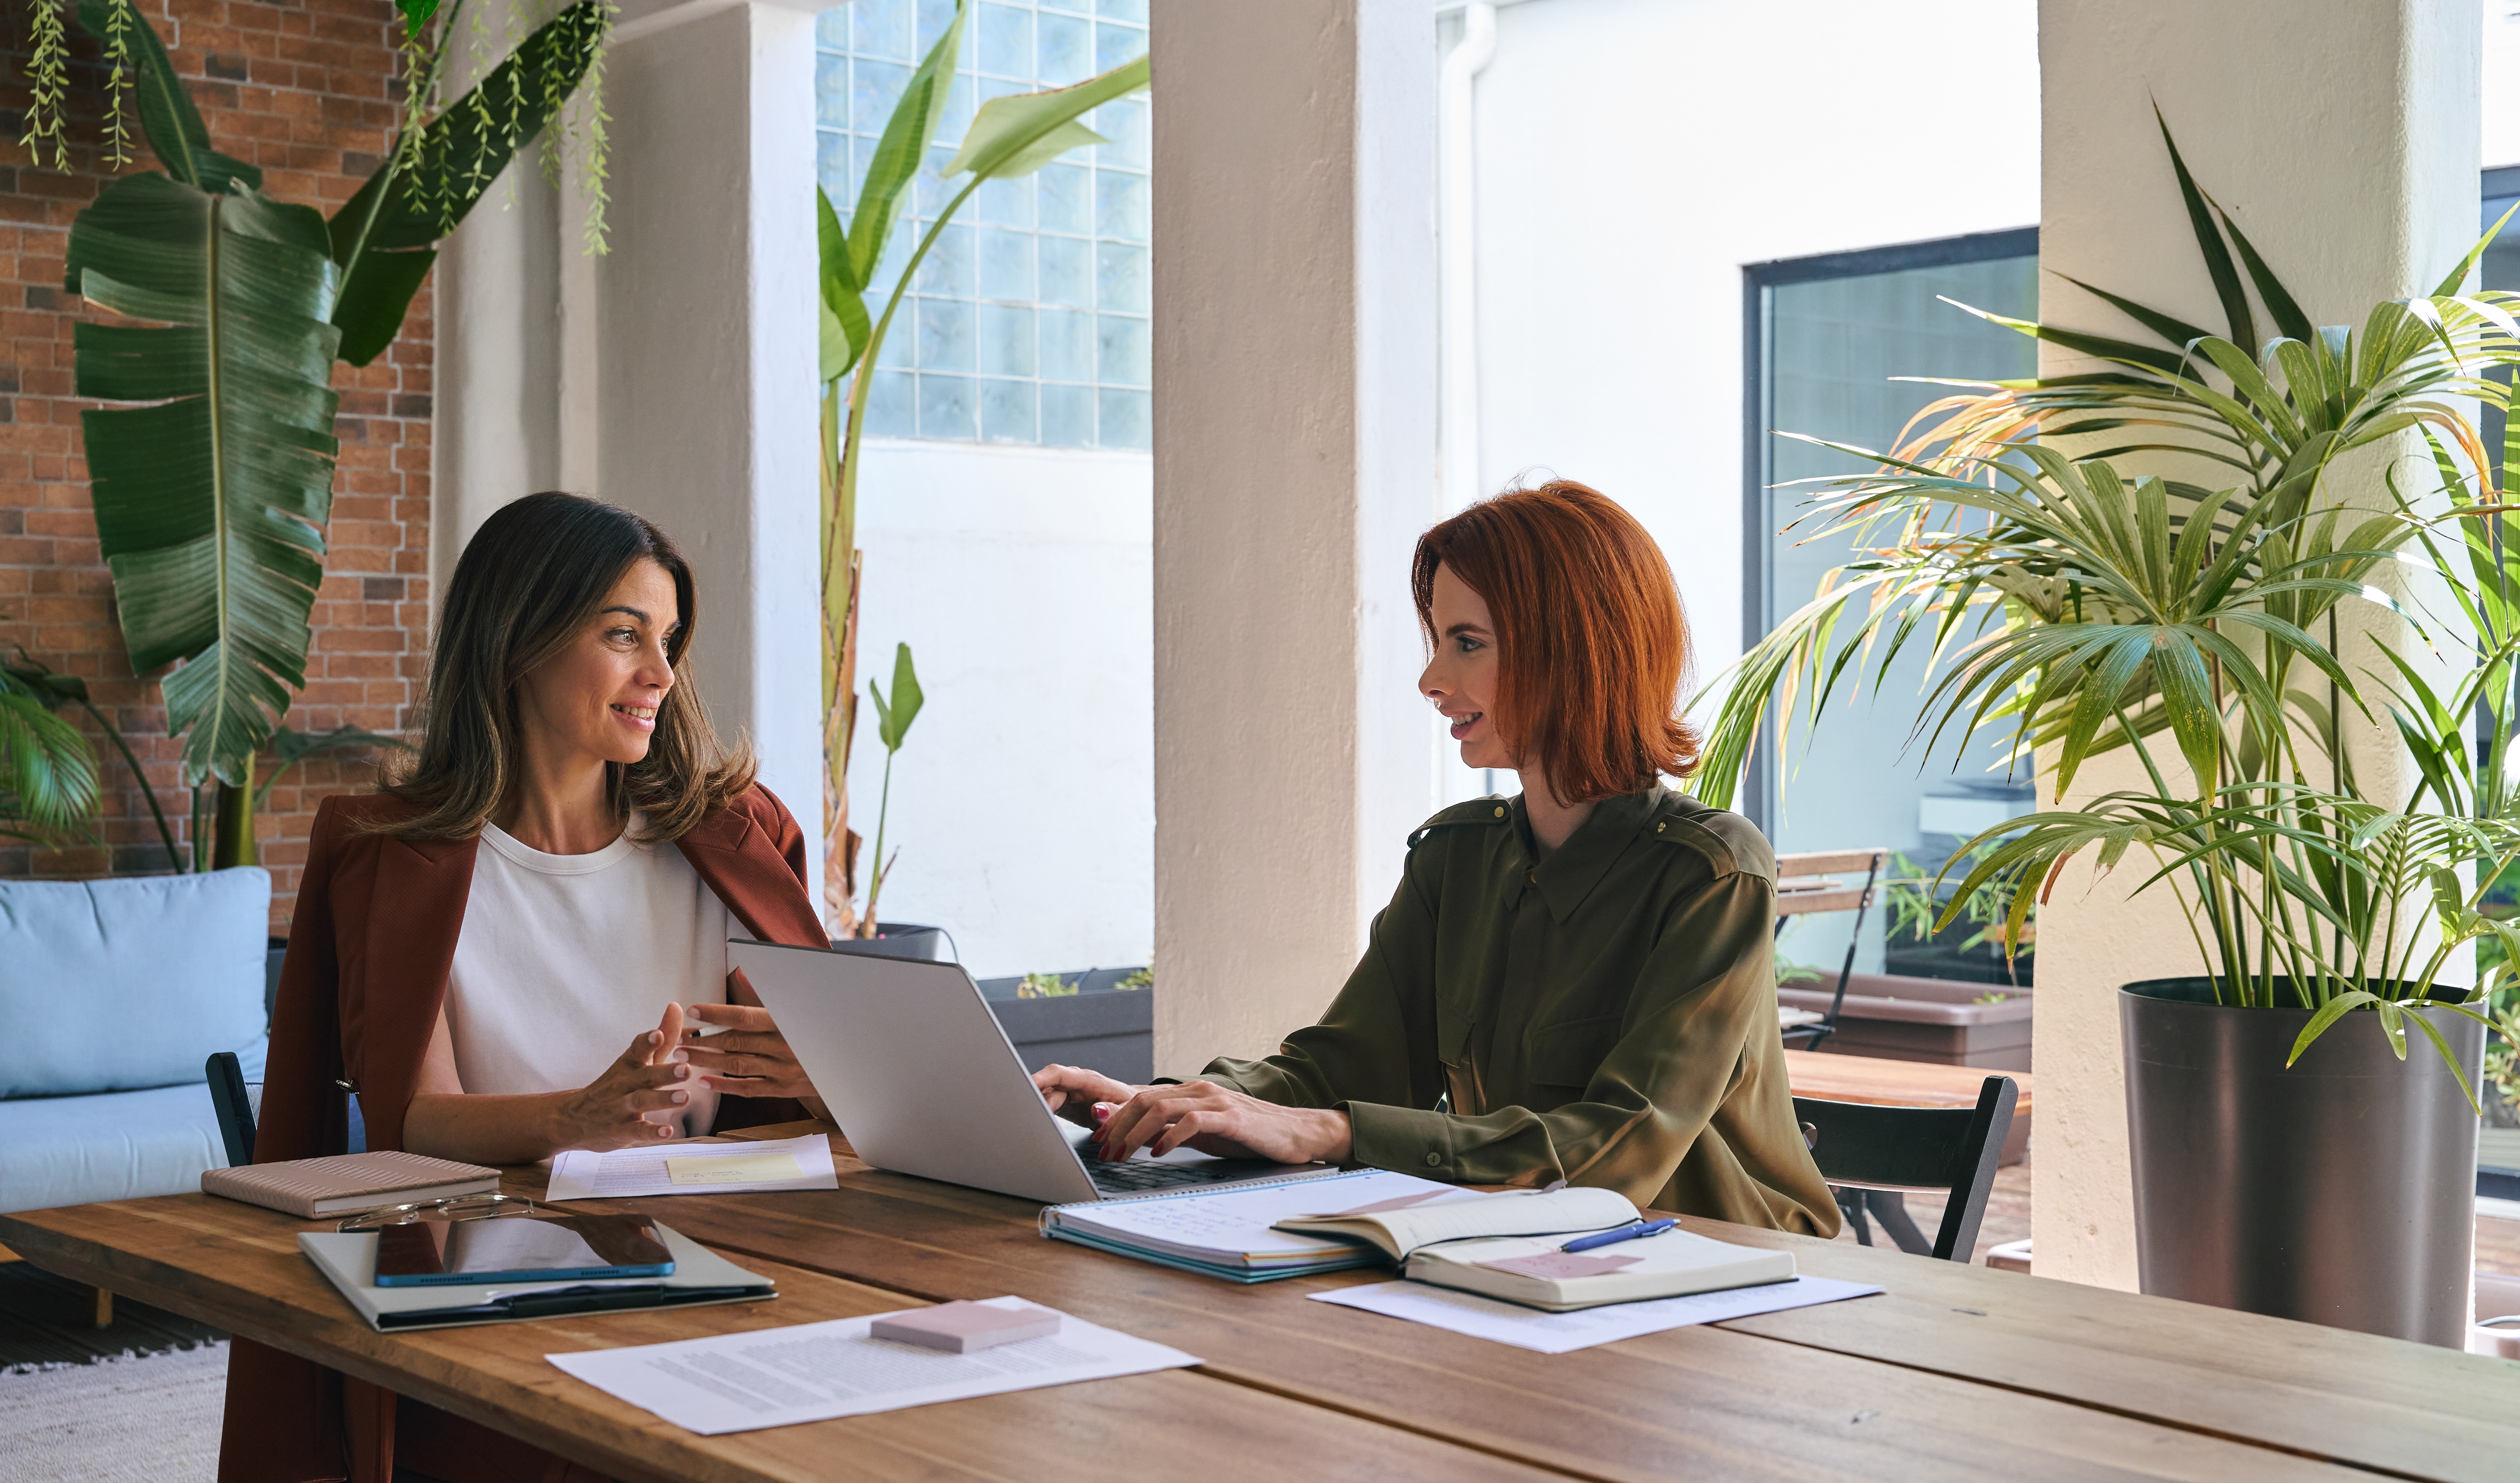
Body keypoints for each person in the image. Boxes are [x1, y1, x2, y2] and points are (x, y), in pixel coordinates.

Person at [1034, 481, 1839, 1234]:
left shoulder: (1712, 873)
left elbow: (1619, 1144)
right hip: (1518, 1260)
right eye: (1438, 641)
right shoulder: (1457, 857)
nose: (1431, 677)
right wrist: (1171, 1105)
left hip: (1727, 1281)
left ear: (1574, 650)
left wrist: (1327, 1132)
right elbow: (1342, 1070)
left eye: (1467, 642)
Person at [222, 492, 831, 1483]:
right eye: (623, 634)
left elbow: (825, 1097)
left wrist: (823, 1071)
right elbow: (416, 1118)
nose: (660, 675)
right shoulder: (396, 856)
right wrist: (578, 1115)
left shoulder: (733, 835)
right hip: (488, 1321)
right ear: (518, 638)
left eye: (668, 640)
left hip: (727, 1291)